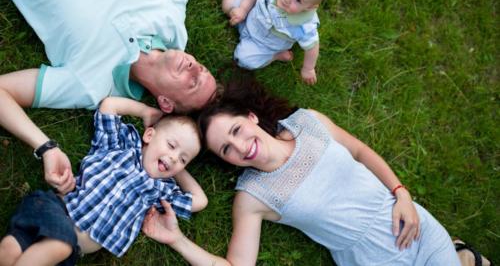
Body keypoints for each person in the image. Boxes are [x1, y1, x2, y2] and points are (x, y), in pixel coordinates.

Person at [0, 0, 274, 194]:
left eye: (191, 83)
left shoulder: (92, 86)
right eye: (200, 68)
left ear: (165, 103)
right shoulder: (170, 26)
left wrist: (45, 147)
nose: (192, 66)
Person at [142, 79, 464, 265]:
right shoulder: (252, 198)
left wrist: (401, 193)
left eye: (237, 130)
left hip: (415, 226)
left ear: (252, 117)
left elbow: (359, 151)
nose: (240, 147)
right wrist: (177, 240)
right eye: (227, 149)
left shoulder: (308, 122)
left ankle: (459, 254)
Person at [0, 97, 208, 266]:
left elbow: (200, 201)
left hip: (71, 254)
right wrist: (146, 111)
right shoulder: (119, 146)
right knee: (59, 244)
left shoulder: (161, 191)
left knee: (10, 251)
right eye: (171, 145)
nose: (173, 158)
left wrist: (177, 169)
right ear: (149, 135)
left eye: (183, 159)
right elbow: (109, 106)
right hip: (56, 209)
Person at [222, 0, 333, 85]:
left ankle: (275, 56)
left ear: (310, 7)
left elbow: (312, 47)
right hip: (250, 16)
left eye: (298, 0)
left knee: (242, 59)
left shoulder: (304, 25)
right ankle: (241, 16)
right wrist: (243, 9)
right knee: (228, 2)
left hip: (265, 45)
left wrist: (308, 68)